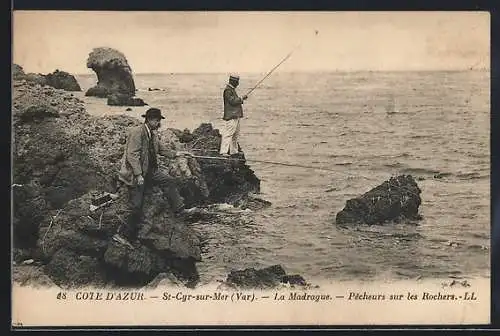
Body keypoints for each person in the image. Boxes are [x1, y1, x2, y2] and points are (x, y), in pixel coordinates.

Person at [113, 107, 192, 246]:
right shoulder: (137, 133)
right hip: (134, 173)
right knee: (137, 205)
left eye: (159, 120)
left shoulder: (153, 134)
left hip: (150, 171)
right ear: (150, 120)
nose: (159, 123)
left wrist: (178, 154)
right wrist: (138, 175)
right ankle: (121, 234)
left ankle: (179, 209)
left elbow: (161, 150)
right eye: (157, 120)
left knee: (169, 181)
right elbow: (132, 156)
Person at [219, 74, 248, 157]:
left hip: (235, 116)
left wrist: (241, 99)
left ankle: (234, 151)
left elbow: (234, 101)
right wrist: (241, 98)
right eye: (237, 82)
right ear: (233, 81)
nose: (238, 83)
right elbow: (232, 101)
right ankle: (223, 152)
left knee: (235, 134)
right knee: (228, 134)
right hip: (231, 116)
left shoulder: (231, 89)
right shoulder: (228, 90)